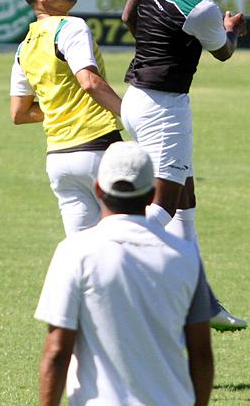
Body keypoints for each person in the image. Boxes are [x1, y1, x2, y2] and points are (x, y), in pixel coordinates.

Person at [121, 0, 248, 332]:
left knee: (186, 194)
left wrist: (157, 50)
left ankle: (202, 301)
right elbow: (224, 53)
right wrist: (232, 30)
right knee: (164, 206)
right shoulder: (203, 9)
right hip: (165, 109)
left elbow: (128, 17)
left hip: (135, 99)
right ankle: (111, 255)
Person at [35, 141, 214, 406]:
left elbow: (57, 351)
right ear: (153, 192)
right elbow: (201, 354)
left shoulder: (74, 251)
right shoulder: (185, 255)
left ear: (97, 188)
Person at [11, 0, 124, 236]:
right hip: (98, 148)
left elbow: (20, 113)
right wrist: (131, 113)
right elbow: (89, 82)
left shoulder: (23, 46)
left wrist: (60, 105)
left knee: (82, 252)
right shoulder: (70, 26)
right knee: (128, 240)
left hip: (60, 160)